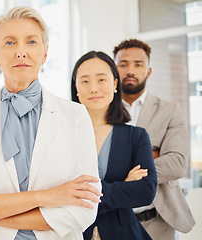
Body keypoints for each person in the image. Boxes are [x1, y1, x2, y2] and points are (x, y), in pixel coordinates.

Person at [0, 6, 102, 240]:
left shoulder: (75, 116)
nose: (21, 52)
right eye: (10, 43)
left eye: (32, 42)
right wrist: (50, 196)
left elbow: (84, 208)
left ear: (45, 53)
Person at [113, 39, 195, 240]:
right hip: (112, 219)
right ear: (114, 70)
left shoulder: (170, 111)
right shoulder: (100, 112)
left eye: (138, 64)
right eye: (123, 64)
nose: (130, 70)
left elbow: (177, 164)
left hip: (158, 222)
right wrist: (149, 156)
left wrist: (119, 168)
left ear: (148, 71)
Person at [71, 51, 157, 239]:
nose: (94, 88)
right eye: (85, 81)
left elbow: (145, 191)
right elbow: (54, 191)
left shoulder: (136, 136)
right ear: (76, 87)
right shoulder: (62, 136)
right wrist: (123, 187)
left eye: (101, 80)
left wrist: (83, 194)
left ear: (115, 83)